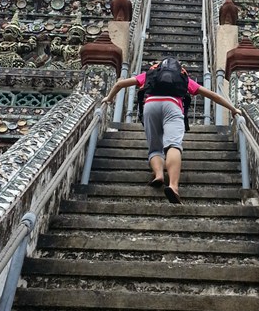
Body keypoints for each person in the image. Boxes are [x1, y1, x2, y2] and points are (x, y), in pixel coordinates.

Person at [102, 57, 241, 205]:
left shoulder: (150, 75)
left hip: (150, 106)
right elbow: (213, 95)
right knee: (173, 145)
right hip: (172, 105)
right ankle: (173, 186)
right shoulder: (183, 79)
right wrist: (232, 109)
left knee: (155, 148)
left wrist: (109, 98)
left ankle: (159, 175)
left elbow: (120, 84)